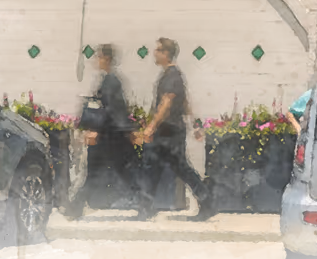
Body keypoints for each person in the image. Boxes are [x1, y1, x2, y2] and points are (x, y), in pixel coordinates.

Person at [66, 44, 155, 221]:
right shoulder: (111, 79)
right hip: (116, 134)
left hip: (109, 135)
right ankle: (145, 206)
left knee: (96, 173)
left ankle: (76, 207)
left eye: (99, 57)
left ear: (106, 58)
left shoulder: (110, 81)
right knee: (123, 172)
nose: (97, 61)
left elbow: (108, 109)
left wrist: (95, 130)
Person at [135, 37, 216, 221]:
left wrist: (151, 127)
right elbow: (185, 101)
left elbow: (167, 102)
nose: (154, 53)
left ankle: (207, 203)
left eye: (157, 50)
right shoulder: (172, 75)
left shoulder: (171, 76)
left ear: (165, 54)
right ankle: (145, 209)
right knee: (152, 168)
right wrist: (194, 124)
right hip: (169, 129)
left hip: (168, 130)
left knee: (177, 168)